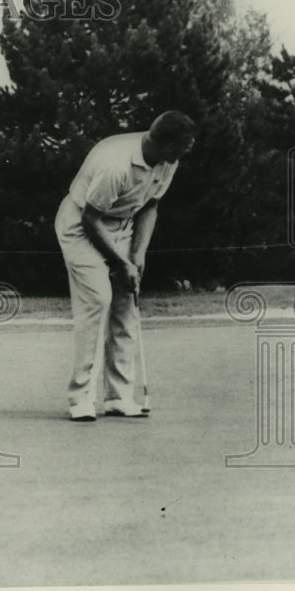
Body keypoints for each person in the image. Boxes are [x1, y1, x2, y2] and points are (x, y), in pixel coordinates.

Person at [55, 111, 196, 422]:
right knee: (98, 300)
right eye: (187, 143)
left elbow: (150, 205)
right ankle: (81, 398)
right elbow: (90, 219)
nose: (191, 147)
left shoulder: (168, 161)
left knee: (126, 303)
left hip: (122, 224)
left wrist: (138, 254)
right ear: (170, 144)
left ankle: (119, 396)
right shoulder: (114, 165)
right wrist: (121, 262)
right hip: (80, 224)